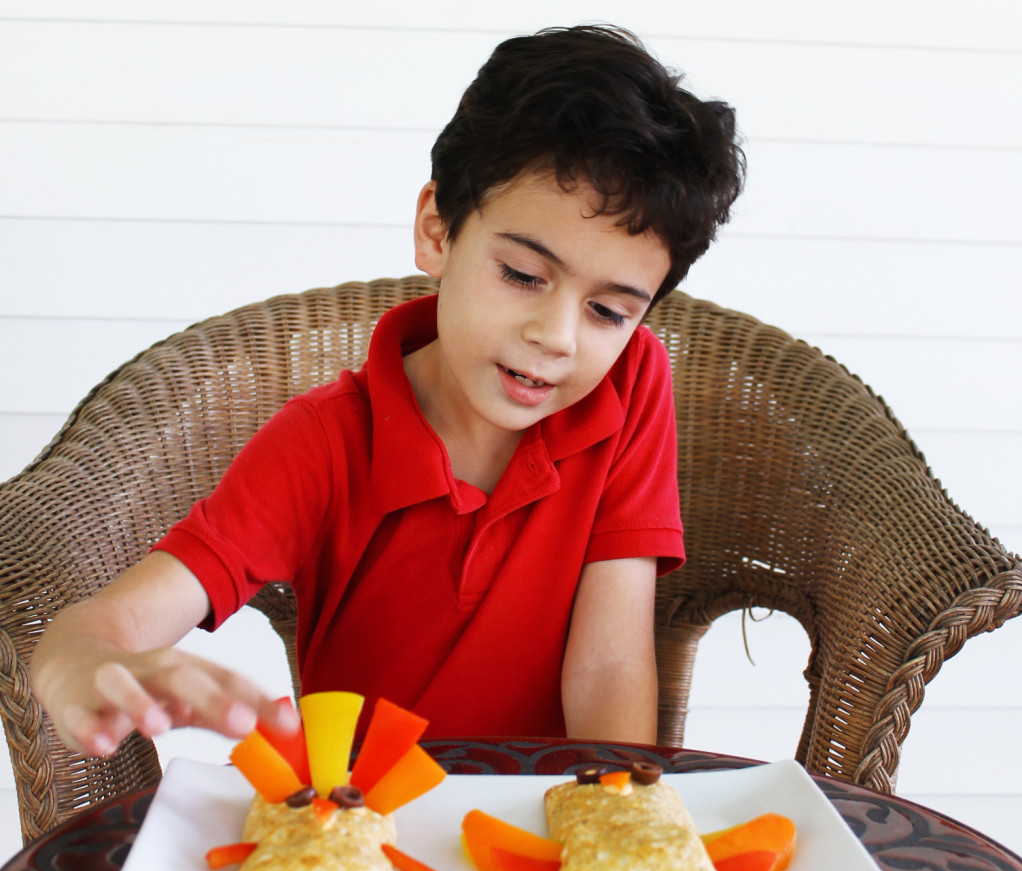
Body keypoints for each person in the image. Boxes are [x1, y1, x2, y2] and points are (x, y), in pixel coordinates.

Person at [29, 24, 745, 756]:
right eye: (524, 276)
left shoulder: (629, 383)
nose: (558, 337)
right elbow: (107, 626)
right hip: (366, 836)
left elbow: (608, 663)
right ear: (437, 232)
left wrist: (615, 823)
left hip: (550, 828)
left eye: (608, 311)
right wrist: (79, 662)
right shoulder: (324, 442)